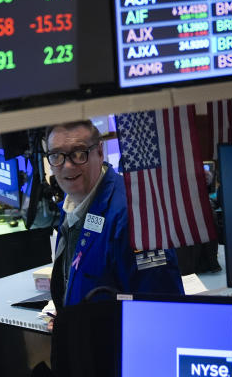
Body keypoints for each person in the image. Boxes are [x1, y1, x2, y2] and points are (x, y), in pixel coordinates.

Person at [45, 120, 183, 311]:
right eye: (57, 155)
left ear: (100, 152)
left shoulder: (134, 216)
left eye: (79, 153)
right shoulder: (72, 205)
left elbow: (162, 307)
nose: (67, 166)